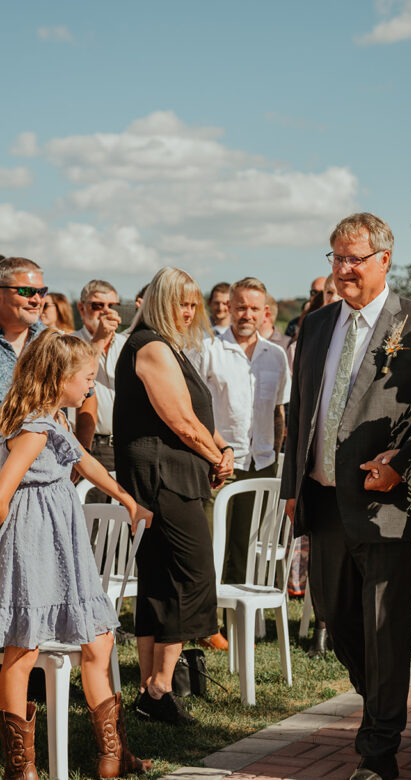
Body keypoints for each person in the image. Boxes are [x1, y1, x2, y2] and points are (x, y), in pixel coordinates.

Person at [282, 212, 411, 780]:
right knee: (333, 612)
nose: (344, 268)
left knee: (385, 627)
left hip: (389, 504)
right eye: (336, 257)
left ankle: (378, 754)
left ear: (384, 260)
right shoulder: (316, 324)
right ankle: (381, 703)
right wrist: (292, 486)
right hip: (325, 498)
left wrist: (401, 465)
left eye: (355, 257)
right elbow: (301, 409)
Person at [0, 330, 152, 778]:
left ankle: (113, 755)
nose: (91, 385)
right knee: (22, 648)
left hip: (64, 541)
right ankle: (20, 766)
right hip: (33, 542)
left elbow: (83, 460)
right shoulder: (32, 427)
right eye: (87, 377)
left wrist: (126, 498)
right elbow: (4, 489)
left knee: (100, 638)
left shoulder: (57, 419)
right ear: (58, 377)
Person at [114, 267, 234, 725]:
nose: (188, 311)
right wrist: (216, 456)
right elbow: (180, 422)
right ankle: (161, 686)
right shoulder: (151, 346)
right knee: (190, 576)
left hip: (175, 476)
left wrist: (218, 448)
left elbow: (197, 415)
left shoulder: (169, 349)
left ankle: (151, 691)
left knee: (162, 582)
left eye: (193, 304)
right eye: (180, 303)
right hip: (162, 479)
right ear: (158, 302)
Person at [195, 277, 290, 585]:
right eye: (240, 307)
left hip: (260, 464)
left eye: (254, 308)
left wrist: (273, 456)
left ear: (266, 312)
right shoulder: (209, 349)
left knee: (245, 548)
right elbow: (195, 410)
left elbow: (278, 411)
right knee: (210, 545)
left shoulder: (276, 356)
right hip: (218, 464)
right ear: (230, 308)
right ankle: (209, 623)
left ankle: (237, 622)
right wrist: (214, 454)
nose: (247, 314)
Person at [73, 280, 125, 473]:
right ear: (81, 307)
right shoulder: (68, 342)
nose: (105, 311)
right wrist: (98, 341)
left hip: (126, 445)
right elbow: (81, 375)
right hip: (89, 443)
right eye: (97, 305)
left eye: (112, 306)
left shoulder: (129, 344)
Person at [0, 257, 47, 399]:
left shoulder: (54, 342)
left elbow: (88, 393)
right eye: (27, 291)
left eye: (42, 292)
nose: (37, 300)